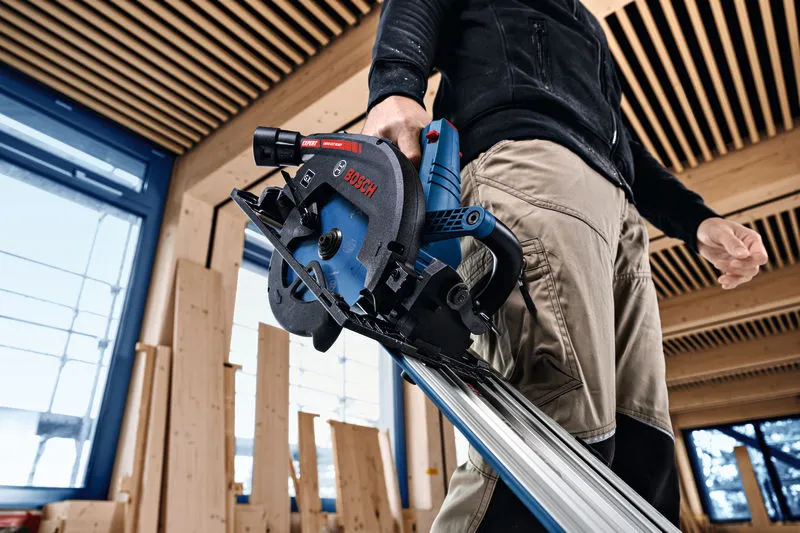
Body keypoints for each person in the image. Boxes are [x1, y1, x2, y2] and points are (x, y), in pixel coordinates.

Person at [362, 0, 769, 531]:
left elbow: (623, 145)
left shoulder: (589, 28)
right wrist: (395, 85)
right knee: (554, 446)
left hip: (620, 216)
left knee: (640, 450)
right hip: (531, 166)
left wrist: (697, 221)